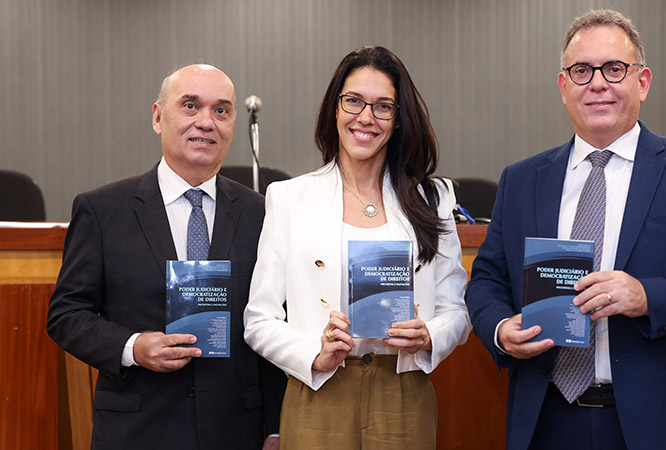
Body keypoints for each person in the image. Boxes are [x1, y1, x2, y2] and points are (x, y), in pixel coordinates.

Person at [465, 9, 666, 450]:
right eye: (582, 71)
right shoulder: (522, 179)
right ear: (564, 88)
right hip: (547, 414)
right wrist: (500, 328)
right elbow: (487, 278)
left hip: (663, 415)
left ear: (642, 82)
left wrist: (647, 296)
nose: (597, 83)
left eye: (614, 69)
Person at [47, 64, 285, 450]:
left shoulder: (262, 213)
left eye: (221, 111)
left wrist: (276, 426)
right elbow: (66, 315)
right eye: (190, 106)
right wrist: (133, 346)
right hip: (137, 429)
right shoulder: (103, 209)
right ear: (159, 117)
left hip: (234, 430)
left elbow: (275, 321)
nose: (206, 122)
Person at [243, 46, 470, 450]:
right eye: (353, 101)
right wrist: (315, 353)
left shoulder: (432, 198)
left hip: (403, 395)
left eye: (383, 106)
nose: (366, 117)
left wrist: (429, 336)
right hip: (318, 392)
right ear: (335, 108)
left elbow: (457, 311)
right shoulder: (289, 198)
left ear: (399, 120)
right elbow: (258, 320)